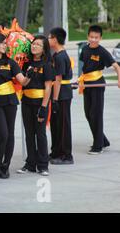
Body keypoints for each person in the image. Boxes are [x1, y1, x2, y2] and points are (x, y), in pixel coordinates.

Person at [0, 33, 29, 179]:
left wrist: (30, 73)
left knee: (9, 133)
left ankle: (5, 166)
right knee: (2, 134)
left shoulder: (11, 62)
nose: (5, 45)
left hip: (10, 101)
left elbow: (23, 81)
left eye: (6, 43)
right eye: (2, 43)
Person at [78, 25, 120, 154]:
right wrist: (80, 79)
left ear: (100, 38)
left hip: (97, 84)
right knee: (88, 114)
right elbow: (83, 67)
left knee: (96, 114)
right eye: (91, 37)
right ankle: (103, 140)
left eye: (96, 37)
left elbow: (116, 66)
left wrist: (119, 79)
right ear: (88, 37)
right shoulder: (84, 49)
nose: (93, 39)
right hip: (87, 84)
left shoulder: (102, 52)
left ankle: (98, 146)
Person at [17, 35, 54, 176]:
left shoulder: (47, 65)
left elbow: (48, 87)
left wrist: (44, 108)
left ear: (44, 49)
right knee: (29, 134)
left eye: (38, 44)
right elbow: (23, 82)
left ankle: (43, 165)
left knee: (40, 134)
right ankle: (30, 163)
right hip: (27, 102)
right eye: (33, 44)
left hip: (40, 103)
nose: (34, 46)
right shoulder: (27, 64)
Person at [48, 28, 74, 164]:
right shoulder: (57, 55)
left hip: (62, 94)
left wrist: (55, 99)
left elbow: (58, 80)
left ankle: (66, 155)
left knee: (63, 125)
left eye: (49, 37)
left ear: (55, 39)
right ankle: (56, 151)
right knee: (55, 124)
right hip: (58, 92)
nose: (48, 40)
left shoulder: (60, 56)